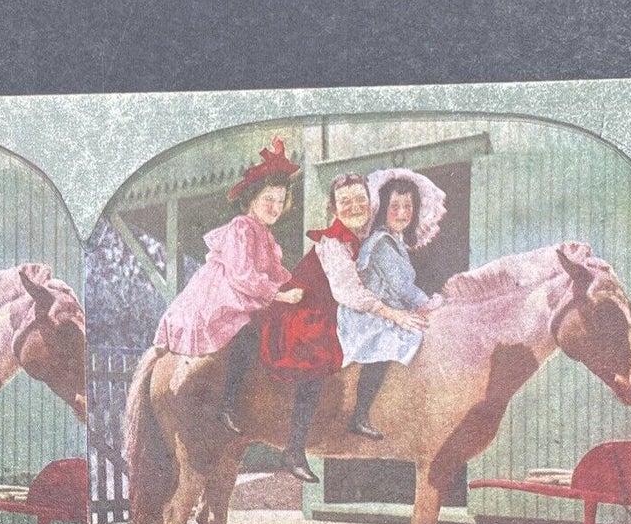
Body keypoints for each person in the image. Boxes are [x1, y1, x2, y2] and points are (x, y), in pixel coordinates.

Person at [152, 137, 303, 433]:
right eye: (267, 200)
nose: (275, 206)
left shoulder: (266, 237)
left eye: (280, 200)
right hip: (224, 295)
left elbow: (277, 271)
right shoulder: (241, 228)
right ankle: (228, 405)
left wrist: (298, 285)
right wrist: (281, 296)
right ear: (251, 201)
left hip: (248, 294)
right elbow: (243, 275)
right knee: (245, 336)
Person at [262, 172, 375, 481]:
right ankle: (294, 450)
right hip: (305, 309)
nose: (354, 207)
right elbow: (346, 292)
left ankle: (359, 416)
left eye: (360, 200)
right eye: (345, 202)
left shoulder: (367, 238)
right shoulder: (333, 242)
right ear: (333, 208)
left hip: (331, 309)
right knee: (314, 360)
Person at [339, 169, 449, 439]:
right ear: (382, 210)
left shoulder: (396, 241)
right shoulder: (381, 243)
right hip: (367, 315)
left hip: (390, 309)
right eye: (395, 207)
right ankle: (361, 414)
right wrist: (432, 304)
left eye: (408, 207)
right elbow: (403, 289)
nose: (402, 213)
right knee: (387, 348)